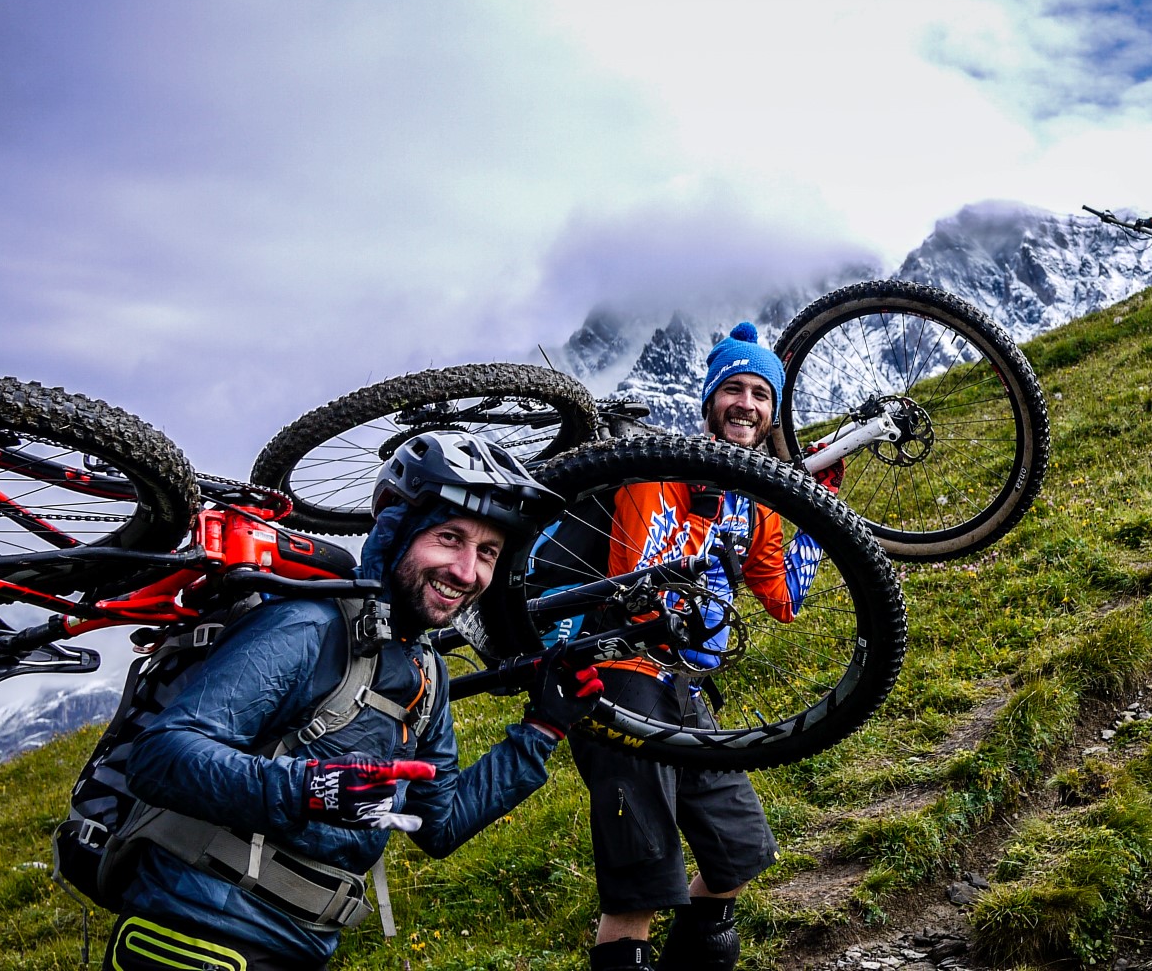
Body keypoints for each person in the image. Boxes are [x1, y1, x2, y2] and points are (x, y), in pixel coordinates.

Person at [104, 431, 605, 970]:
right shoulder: (307, 626)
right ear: (395, 533)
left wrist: (541, 731)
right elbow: (161, 757)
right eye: (449, 538)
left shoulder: (424, 670)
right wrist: (307, 789)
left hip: (301, 948)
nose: (467, 572)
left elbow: (441, 824)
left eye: (487, 552)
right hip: (192, 939)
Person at [580, 322, 834, 971]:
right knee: (640, 886)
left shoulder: (760, 507)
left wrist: (818, 506)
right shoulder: (658, 467)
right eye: (733, 390)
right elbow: (637, 572)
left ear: (773, 413)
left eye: (759, 394)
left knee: (739, 854)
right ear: (709, 400)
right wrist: (705, 497)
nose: (745, 404)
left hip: (690, 691)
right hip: (622, 672)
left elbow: (784, 601)